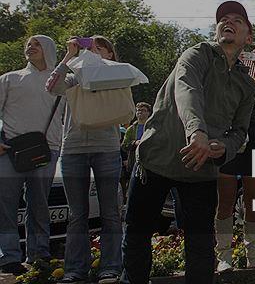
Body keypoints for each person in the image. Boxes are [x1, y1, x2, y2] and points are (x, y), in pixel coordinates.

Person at [121, 1, 255, 284]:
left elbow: (240, 130)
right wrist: (197, 132)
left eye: (237, 20)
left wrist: (226, 147)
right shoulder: (196, 54)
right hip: (156, 160)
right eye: (223, 19)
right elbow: (187, 90)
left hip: (200, 170)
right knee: (137, 234)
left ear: (249, 37)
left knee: (200, 246)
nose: (228, 22)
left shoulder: (246, 84)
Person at [47, 36, 127, 283]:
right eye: (89, 47)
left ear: (110, 54)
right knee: (77, 214)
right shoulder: (74, 77)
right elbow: (52, 87)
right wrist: (69, 56)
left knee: (110, 212)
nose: (93, 50)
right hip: (73, 150)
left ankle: (111, 267)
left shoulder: (117, 76)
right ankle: (75, 270)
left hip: (107, 149)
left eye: (99, 47)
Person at [0, 35, 62, 276]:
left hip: (47, 148)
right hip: (10, 150)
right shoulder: (9, 78)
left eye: (37, 44)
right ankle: (8, 256)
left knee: (39, 204)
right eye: (28, 44)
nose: (30, 47)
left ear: (48, 49)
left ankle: (39, 254)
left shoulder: (61, 82)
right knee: (5, 204)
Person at [215, 49, 255, 272]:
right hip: (227, 139)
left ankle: (254, 255)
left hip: (254, 138)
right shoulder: (216, 80)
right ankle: (224, 256)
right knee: (225, 201)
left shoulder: (249, 80)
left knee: (253, 201)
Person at [121, 103, 153, 195]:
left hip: (151, 162)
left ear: (148, 113)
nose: (140, 112)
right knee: (134, 189)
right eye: (138, 110)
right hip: (135, 161)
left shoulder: (153, 127)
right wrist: (134, 143)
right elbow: (124, 146)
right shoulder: (131, 129)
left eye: (143, 110)